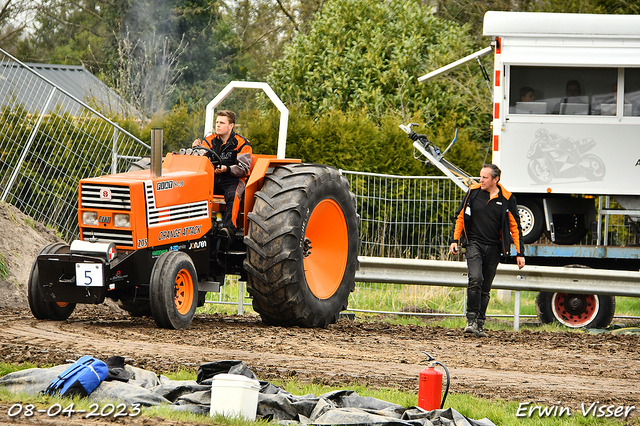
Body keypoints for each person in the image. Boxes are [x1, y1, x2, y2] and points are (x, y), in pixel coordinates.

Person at [449, 164, 525, 337]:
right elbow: (460, 216)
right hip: (474, 244)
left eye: (484, 177)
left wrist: (520, 254)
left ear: (495, 179)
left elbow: (515, 227)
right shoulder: (473, 193)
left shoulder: (507, 198)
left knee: (485, 287)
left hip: (494, 248)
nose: (481, 180)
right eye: (480, 177)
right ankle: (471, 320)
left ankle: (480, 324)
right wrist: (455, 240)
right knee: (475, 279)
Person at [193, 110, 252, 239]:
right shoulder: (210, 140)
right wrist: (196, 149)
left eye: (221, 123)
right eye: (217, 122)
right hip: (214, 177)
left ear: (231, 126)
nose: (218, 125)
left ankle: (228, 230)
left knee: (233, 194)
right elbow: (200, 156)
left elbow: (244, 169)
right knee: (196, 190)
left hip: (234, 178)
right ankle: (198, 226)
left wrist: (227, 169)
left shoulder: (242, 143)